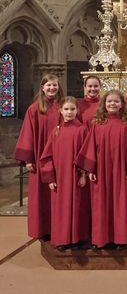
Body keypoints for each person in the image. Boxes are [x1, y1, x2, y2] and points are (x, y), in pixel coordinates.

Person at [76, 90, 127, 249]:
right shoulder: (97, 124)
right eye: (109, 102)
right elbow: (90, 147)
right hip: (101, 170)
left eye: (116, 101)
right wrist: (90, 169)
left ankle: (121, 239)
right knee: (101, 204)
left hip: (120, 171)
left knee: (121, 204)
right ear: (104, 104)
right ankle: (101, 239)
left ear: (122, 104)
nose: (112, 104)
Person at [14, 73, 64, 239]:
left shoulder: (64, 107)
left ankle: (60, 228)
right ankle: (43, 230)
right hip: (39, 157)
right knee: (40, 195)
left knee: (59, 193)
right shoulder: (34, 109)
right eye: (48, 85)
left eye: (54, 85)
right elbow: (27, 134)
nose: (52, 88)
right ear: (42, 88)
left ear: (59, 87)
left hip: (61, 157)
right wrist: (28, 159)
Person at [39, 97, 90, 250]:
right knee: (61, 208)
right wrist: (50, 178)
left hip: (75, 177)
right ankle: (62, 239)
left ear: (77, 111)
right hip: (60, 178)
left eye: (72, 109)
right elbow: (47, 156)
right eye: (66, 109)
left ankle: (77, 238)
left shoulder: (82, 130)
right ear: (60, 111)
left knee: (78, 206)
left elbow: (86, 154)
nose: (69, 112)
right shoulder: (56, 131)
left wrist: (83, 175)